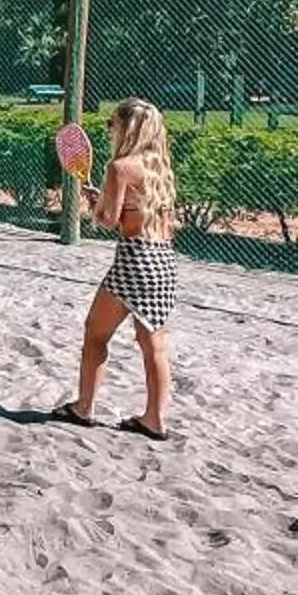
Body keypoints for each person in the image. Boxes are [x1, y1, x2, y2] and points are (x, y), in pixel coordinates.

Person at [53, 97, 179, 438]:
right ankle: (154, 419)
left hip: (134, 261)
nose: (110, 129)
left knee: (95, 332)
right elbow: (135, 214)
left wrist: (96, 206)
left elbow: (109, 221)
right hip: (164, 262)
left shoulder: (120, 168)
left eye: (113, 123)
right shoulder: (160, 167)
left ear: (128, 128)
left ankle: (84, 408)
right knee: (154, 345)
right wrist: (107, 202)